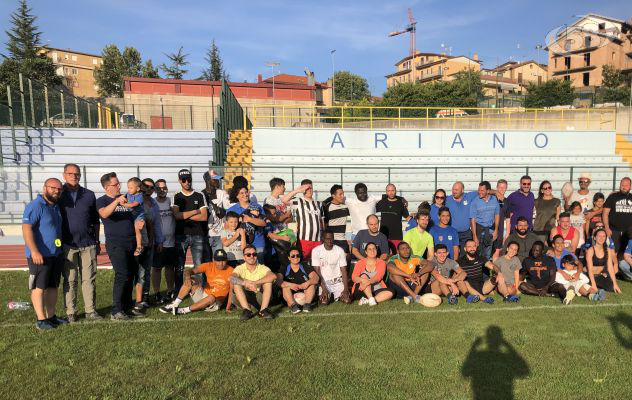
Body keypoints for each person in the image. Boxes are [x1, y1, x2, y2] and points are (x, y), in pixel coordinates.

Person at [22, 177, 67, 330]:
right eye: (53, 188)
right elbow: (27, 229)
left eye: (59, 189)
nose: (56, 191)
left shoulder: (55, 206)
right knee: (39, 288)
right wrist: (34, 251)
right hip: (40, 255)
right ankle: (41, 319)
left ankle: (51, 316)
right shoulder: (35, 206)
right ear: (45, 188)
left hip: (55, 254)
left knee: (53, 286)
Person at [58, 163, 101, 322]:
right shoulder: (59, 194)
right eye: (70, 174)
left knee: (89, 279)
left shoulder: (89, 194)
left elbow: (95, 220)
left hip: (88, 243)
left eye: (77, 174)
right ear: (64, 175)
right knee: (70, 279)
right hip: (68, 244)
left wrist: (97, 240)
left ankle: (90, 310)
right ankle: (71, 312)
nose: (74, 176)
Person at [96, 172, 140, 320]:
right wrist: (116, 201)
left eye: (119, 183)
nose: (119, 186)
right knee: (122, 274)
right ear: (107, 187)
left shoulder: (126, 198)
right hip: (116, 243)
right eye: (116, 184)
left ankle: (127, 306)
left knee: (131, 274)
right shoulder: (102, 201)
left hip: (132, 241)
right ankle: (116, 310)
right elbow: (104, 214)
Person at [160, 249, 234, 315]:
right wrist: (188, 277)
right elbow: (189, 271)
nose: (221, 263)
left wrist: (228, 307)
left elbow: (231, 291)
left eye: (223, 260)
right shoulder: (209, 265)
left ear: (226, 260)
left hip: (215, 302)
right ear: (214, 260)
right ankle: (175, 304)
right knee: (191, 279)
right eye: (218, 260)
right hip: (203, 296)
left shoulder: (232, 271)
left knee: (211, 297)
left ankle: (182, 310)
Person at [172, 169, 208, 293]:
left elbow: (204, 216)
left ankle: (199, 292)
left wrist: (184, 215)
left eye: (189, 179)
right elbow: (176, 216)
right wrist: (194, 211)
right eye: (184, 180)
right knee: (179, 266)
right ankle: (178, 291)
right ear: (179, 181)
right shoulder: (176, 196)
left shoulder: (199, 195)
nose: (187, 182)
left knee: (198, 265)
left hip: (198, 234)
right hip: (181, 235)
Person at [133, 179, 164, 313]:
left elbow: (157, 223)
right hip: (136, 243)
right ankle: (136, 300)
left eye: (152, 188)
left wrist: (159, 240)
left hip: (149, 242)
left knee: (146, 271)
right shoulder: (133, 200)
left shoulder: (153, 203)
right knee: (138, 272)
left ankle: (145, 297)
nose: (149, 190)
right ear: (141, 187)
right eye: (146, 186)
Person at [229, 244, 277, 321]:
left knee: (268, 282)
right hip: (245, 298)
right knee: (236, 283)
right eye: (248, 255)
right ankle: (247, 310)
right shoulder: (240, 268)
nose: (252, 256)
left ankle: (263, 310)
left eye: (254, 254)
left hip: (259, 298)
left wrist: (255, 282)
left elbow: (273, 276)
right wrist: (245, 283)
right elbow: (231, 278)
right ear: (244, 257)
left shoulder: (262, 267)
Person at [282, 179, 323, 259]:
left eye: (311, 188)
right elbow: (284, 200)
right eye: (307, 188)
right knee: (303, 262)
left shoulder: (318, 204)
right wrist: (297, 190)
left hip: (317, 240)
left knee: (317, 263)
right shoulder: (298, 201)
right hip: (304, 239)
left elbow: (321, 221)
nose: (309, 190)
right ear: (303, 190)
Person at [226, 186, 267, 263]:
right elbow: (227, 228)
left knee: (259, 269)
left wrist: (250, 219)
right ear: (237, 196)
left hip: (257, 243)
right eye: (241, 193)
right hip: (241, 245)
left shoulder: (257, 206)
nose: (245, 194)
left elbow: (264, 223)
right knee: (244, 270)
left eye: (246, 192)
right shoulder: (231, 210)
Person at [311, 230, 352, 305]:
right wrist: (324, 288)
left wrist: (346, 289)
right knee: (324, 302)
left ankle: (337, 295)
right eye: (327, 238)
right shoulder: (316, 251)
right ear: (323, 239)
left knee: (347, 301)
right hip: (324, 283)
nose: (330, 241)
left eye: (331, 238)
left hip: (338, 282)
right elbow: (317, 272)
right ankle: (331, 296)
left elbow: (344, 271)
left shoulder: (339, 250)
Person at [153, 179, 177, 303]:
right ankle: (156, 292)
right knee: (157, 268)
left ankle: (170, 291)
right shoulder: (153, 203)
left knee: (170, 267)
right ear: (155, 190)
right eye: (159, 188)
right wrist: (157, 240)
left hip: (171, 241)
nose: (162, 190)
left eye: (164, 188)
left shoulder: (171, 201)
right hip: (158, 242)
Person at [277, 247, 319, 313]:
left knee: (311, 284)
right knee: (285, 286)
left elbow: (316, 278)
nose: (295, 257)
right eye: (293, 256)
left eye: (297, 255)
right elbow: (278, 280)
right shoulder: (285, 268)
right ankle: (293, 306)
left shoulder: (305, 265)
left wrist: (307, 283)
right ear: (289, 258)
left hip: (306, 293)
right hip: (291, 295)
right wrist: (290, 285)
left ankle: (307, 305)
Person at [457, 240, 496, 304]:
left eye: (474, 246)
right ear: (465, 249)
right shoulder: (459, 261)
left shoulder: (481, 258)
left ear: (476, 247)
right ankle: (484, 299)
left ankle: (507, 295)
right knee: (463, 281)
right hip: (468, 288)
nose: (472, 248)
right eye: (469, 246)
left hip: (482, 288)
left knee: (498, 275)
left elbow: (492, 266)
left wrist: (498, 272)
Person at [469, 181, 500, 260]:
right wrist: (474, 236)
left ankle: (486, 272)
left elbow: (497, 215)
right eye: (479, 190)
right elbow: (472, 219)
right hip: (479, 230)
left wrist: (496, 230)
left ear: (488, 191)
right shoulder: (475, 202)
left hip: (490, 231)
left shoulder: (494, 200)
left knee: (488, 255)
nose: (479, 192)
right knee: (478, 254)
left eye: (482, 190)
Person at [585, 229, 621, 293]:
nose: (601, 238)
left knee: (611, 287)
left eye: (604, 236)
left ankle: (598, 286)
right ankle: (592, 285)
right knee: (591, 285)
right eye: (599, 236)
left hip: (600, 275)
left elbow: (610, 268)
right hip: (590, 275)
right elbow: (590, 269)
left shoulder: (608, 250)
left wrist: (615, 284)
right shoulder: (590, 250)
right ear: (594, 238)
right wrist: (593, 284)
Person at [202, 171, 226, 263]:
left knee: (219, 261)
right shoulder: (201, 195)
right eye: (215, 179)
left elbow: (225, 213)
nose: (218, 181)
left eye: (218, 179)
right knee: (207, 262)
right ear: (207, 180)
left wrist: (217, 208)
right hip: (205, 235)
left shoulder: (222, 193)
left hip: (220, 234)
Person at [603, 177, 632, 255]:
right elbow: (605, 213)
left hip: (629, 231)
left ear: (630, 186)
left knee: (627, 254)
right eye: (622, 185)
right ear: (620, 185)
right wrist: (606, 227)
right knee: (613, 253)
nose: (624, 187)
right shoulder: (612, 197)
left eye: (626, 185)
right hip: (614, 230)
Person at [446, 181, 478, 249]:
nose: (454, 191)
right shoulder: (447, 200)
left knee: (465, 255)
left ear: (462, 190)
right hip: (452, 233)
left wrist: (496, 192)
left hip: (466, 234)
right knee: (454, 254)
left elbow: (482, 191)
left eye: (456, 190)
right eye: (453, 189)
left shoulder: (469, 196)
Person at [323, 184, 350, 254]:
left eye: (343, 194)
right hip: (332, 241)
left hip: (343, 241)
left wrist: (349, 239)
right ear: (333, 196)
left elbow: (349, 222)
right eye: (340, 194)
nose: (342, 196)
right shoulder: (327, 207)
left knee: (344, 263)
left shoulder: (346, 206)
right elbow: (324, 225)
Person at [123, 177, 145, 256]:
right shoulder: (128, 194)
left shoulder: (140, 196)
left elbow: (133, 205)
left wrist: (124, 205)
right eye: (128, 187)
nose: (129, 189)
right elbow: (123, 198)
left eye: (131, 188)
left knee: (137, 229)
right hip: (131, 215)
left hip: (139, 216)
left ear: (138, 188)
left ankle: (139, 246)